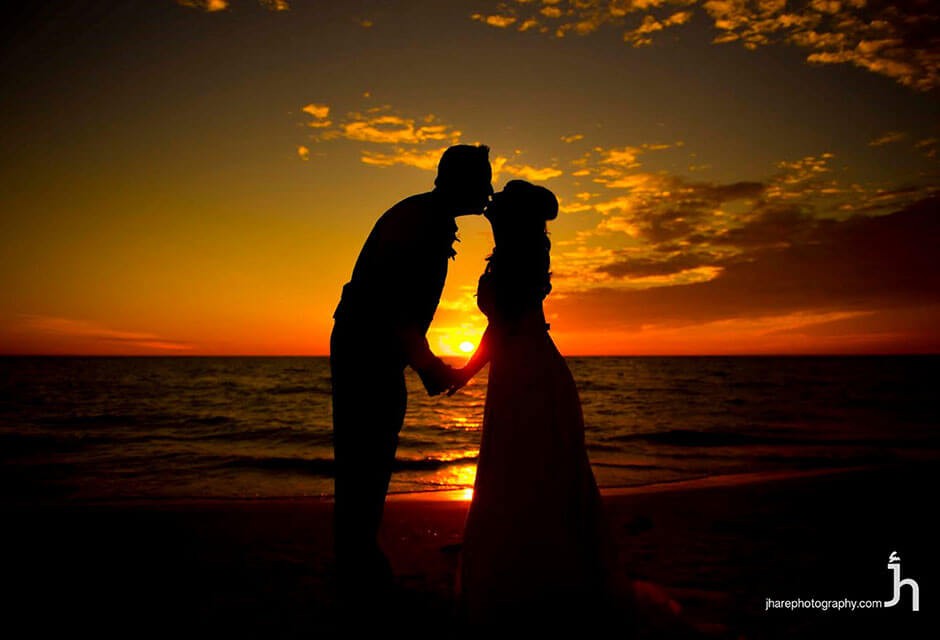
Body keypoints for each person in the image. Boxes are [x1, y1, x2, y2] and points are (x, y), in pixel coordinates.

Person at [449, 180, 618, 630]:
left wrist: (464, 373)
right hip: (523, 368)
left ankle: (530, 585)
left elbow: (502, 328)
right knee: (531, 472)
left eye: (500, 197)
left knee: (524, 472)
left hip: (527, 372)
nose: (492, 200)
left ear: (511, 215)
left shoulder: (516, 257)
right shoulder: (511, 253)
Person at [330, 144, 494, 596]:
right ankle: (357, 562)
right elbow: (393, 303)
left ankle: (359, 555)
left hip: (376, 345)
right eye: (484, 181)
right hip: (366, 345)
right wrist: (428, 366)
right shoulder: (419, 221)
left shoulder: (428, 216)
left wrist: (422, 362)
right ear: (462, 181)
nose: (490, 191)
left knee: (371, 448)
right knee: (367, 448)